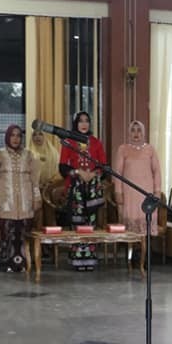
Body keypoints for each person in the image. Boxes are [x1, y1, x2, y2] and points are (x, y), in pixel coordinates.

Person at [58, 111, 106, 271]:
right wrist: (78, 173)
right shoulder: (68, 141)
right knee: (77, 224)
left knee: (90, 223)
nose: (84, 124)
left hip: (91, 189)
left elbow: (104, 167)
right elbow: (63, 167)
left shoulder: (96, 142)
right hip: (75, 189)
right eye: (80, 121)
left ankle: (90, 259)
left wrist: (92, 174)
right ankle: (77, 259)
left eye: (87, 121)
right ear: (75, 124)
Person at [0, 124, 40, 272]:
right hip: (6, 201)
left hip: (25, 200)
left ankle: (24, 262)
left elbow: (35, 180)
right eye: (12, 135)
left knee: (24, 232)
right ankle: (9, 263)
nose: (15, 139)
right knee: (8, 232)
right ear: (7, 137)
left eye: (18, 135)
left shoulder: (29, 155)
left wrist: (37, 198)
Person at [113, 120, 162, 235]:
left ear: (143, 133)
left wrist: (157, 191)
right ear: (129, 133)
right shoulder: (123, 149)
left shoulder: (150, 150)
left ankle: (144, 252)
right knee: (130, 230)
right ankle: (132, 250)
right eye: (133, 130)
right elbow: (118, 173)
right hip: (130, 194)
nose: (136, 133)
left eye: (139, 130)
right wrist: (118, 192)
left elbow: (157, 172)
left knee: (146, 224)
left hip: (146, 193)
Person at [27, 128, 61, 226]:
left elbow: (59, 173)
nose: (37, 137)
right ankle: (36, 233)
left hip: (50, 189)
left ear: (45, 137)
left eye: (40, 134)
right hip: (32, 189)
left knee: (48, 200)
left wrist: (49, 183)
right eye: (34, 135)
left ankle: (50, 236)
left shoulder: (53, 153)